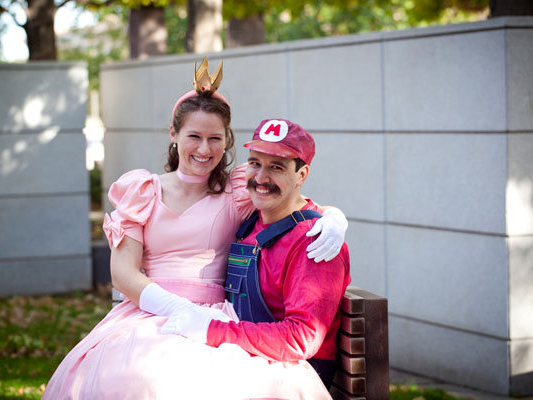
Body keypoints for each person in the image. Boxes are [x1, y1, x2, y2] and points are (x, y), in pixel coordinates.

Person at [42, 58, 347, 399]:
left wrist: (334, 217)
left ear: (227, 140)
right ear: (174, 134)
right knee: (135, 379)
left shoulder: (236, 190)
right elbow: (123, 273)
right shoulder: (142, 191)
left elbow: (290, 196)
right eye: (194, 136)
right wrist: (177, 310)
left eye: (215, 138)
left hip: (216, 316)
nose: (204, 149)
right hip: (149, 312)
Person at [162, 118, 351, 389]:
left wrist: (211, 330)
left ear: (302, 175)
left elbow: (301, 338)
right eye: (255, 164)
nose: (261, 179)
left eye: (276, 167)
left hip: (290, 374)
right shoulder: (251, 219)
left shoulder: (316, 241)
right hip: (243, 357)